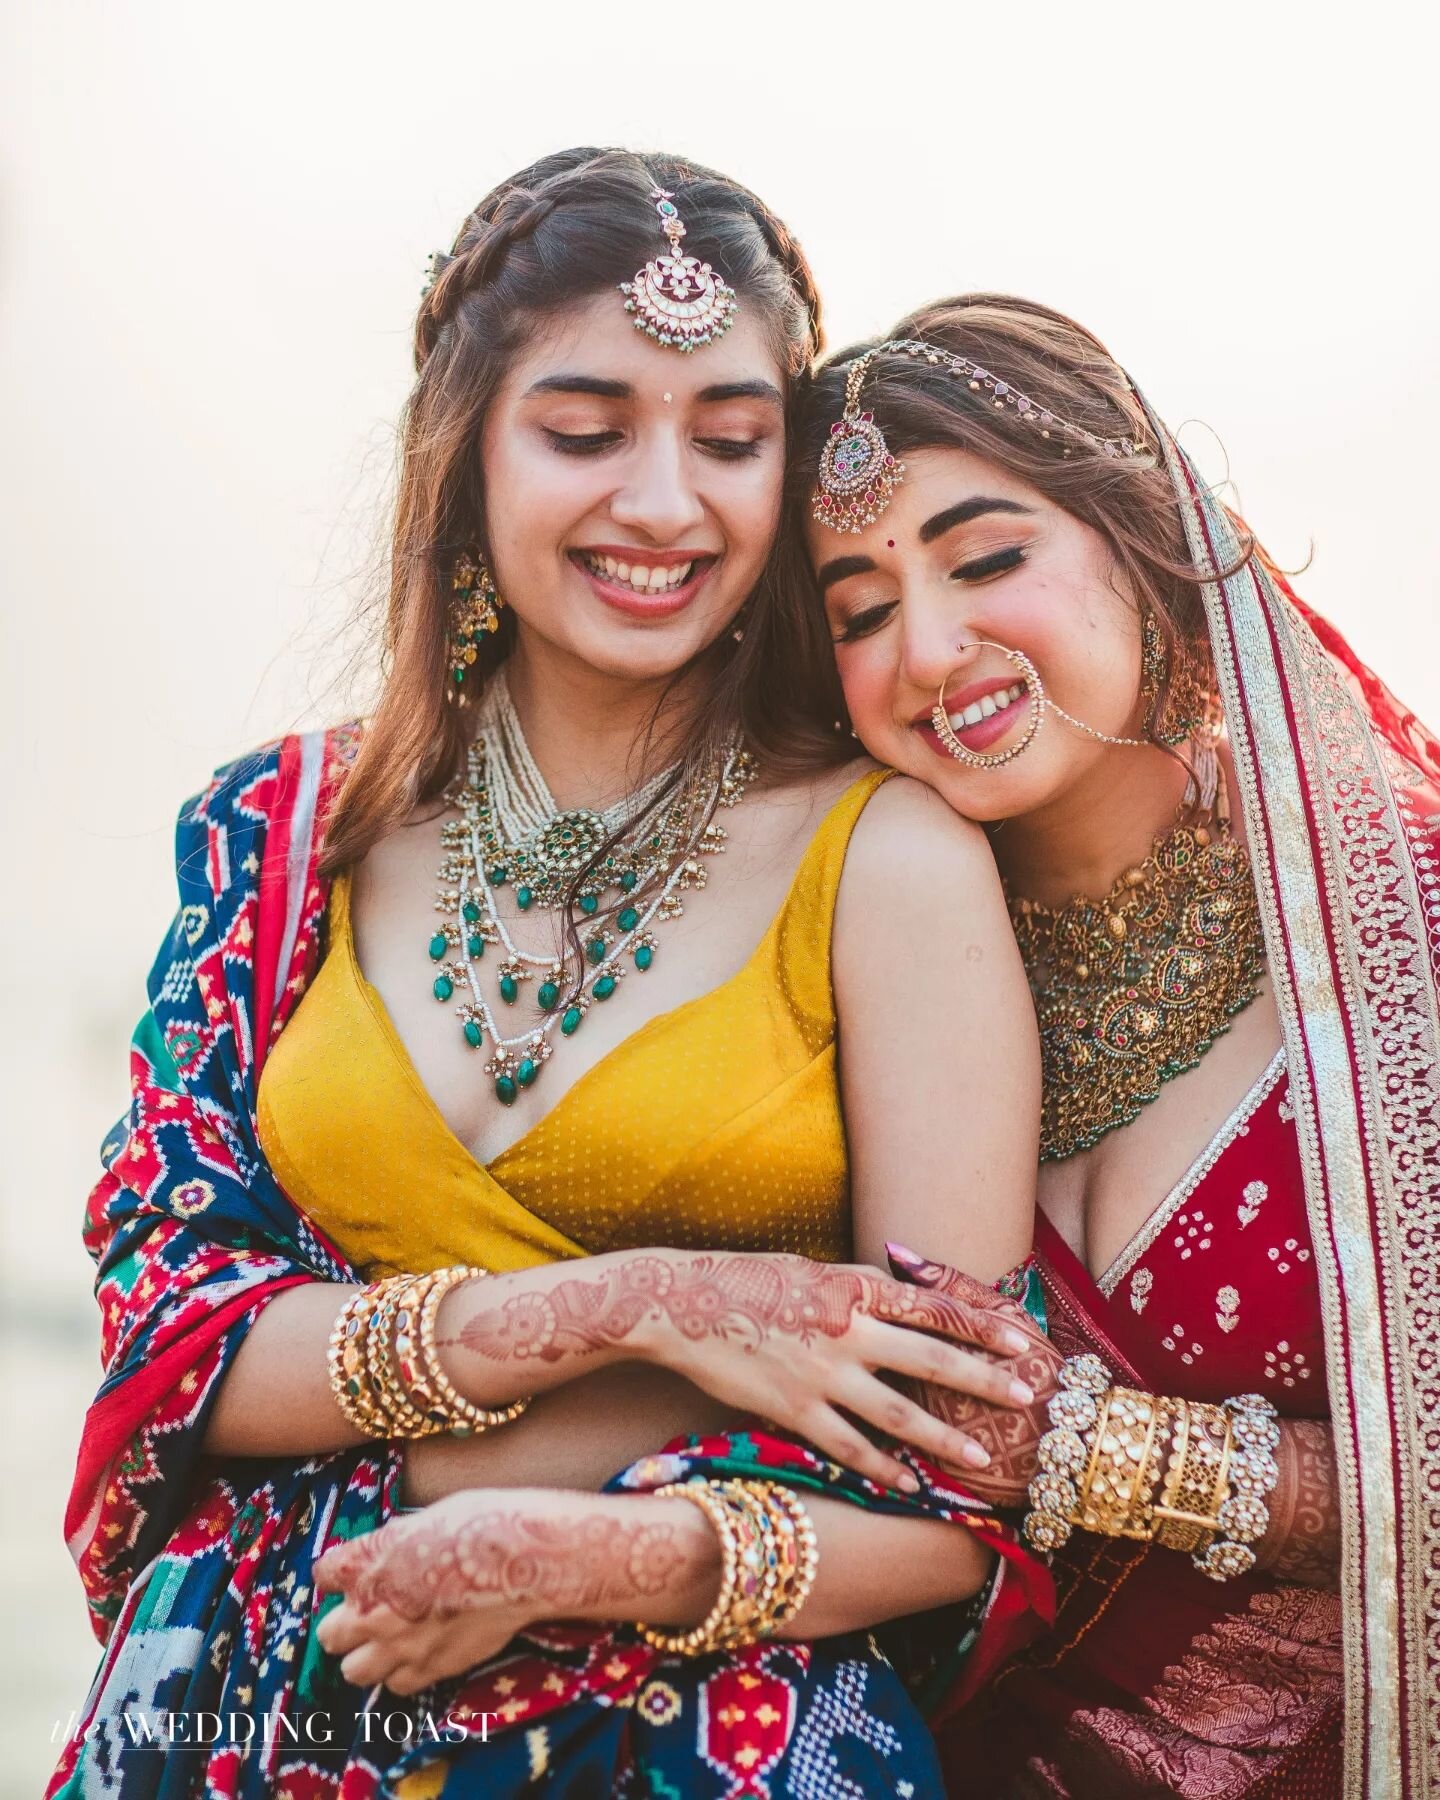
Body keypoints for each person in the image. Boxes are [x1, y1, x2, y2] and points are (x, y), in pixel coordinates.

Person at [49, 161, 1056, 1800]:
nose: (666, 504)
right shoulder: (284, 833)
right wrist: (660, 1305)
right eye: (586, 432)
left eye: (731, 440)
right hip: (240, 1714)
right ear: (464, 457)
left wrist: (580, 1557)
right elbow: (176, 1347)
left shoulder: (890, 860)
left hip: (699, 1739)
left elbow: (963, 1482)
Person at [796, 294, 1440, 1798]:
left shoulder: (1398, 928)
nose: (931, 647)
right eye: (858, 609)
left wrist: (1083, 1455)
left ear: (1143, 537)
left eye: (986, 557)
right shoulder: (861, 965)